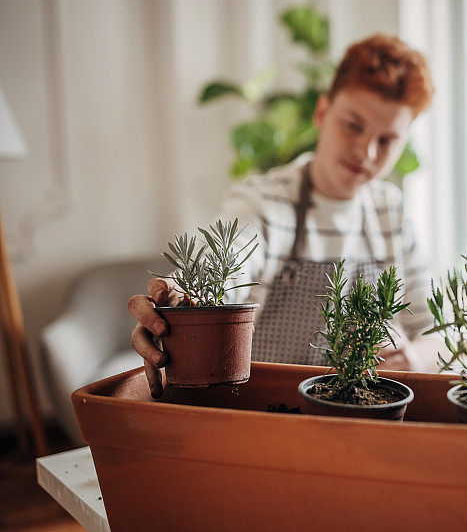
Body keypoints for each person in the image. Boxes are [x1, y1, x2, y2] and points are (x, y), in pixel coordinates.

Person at [128, 34, 441, 398]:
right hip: (270, 415)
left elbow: (439, 333)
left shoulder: (392, 213)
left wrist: (414, 358)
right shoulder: (266, 202)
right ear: (322, 113)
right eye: (353, 125)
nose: (366, 151)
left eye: (386, 139)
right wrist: (174, 300)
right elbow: (224, 255)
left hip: (362, 421)